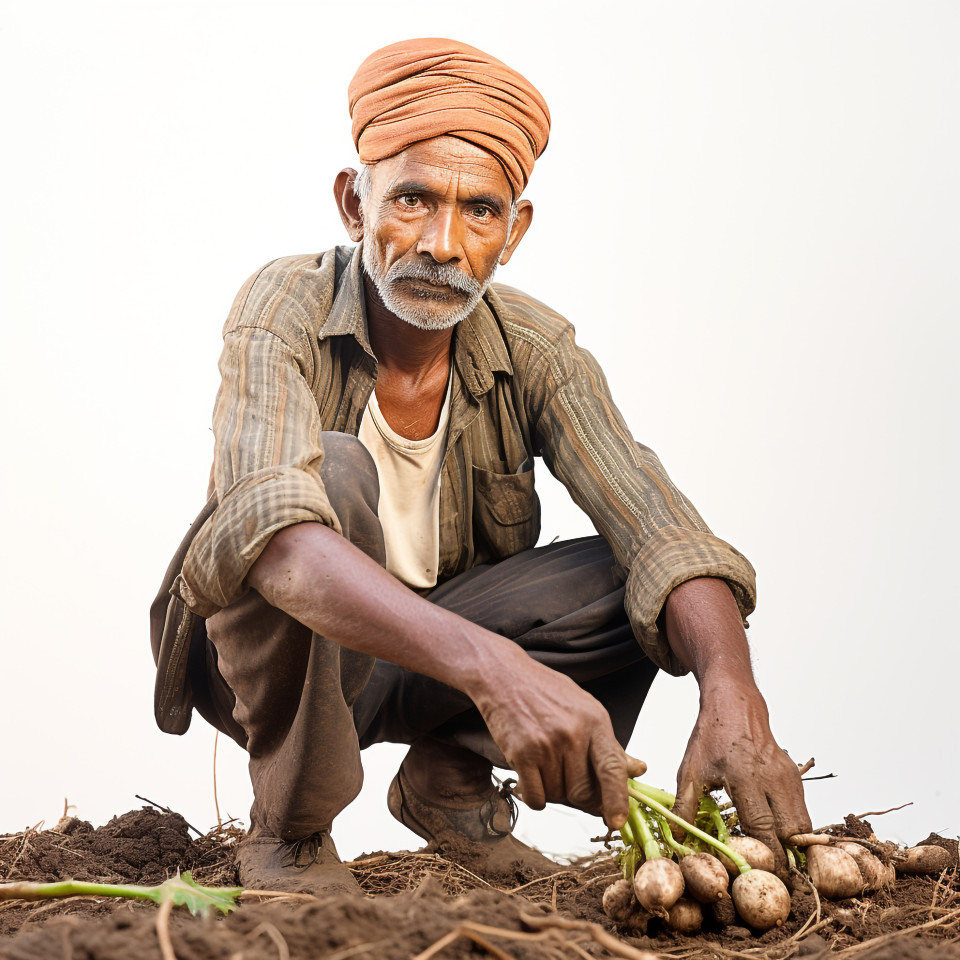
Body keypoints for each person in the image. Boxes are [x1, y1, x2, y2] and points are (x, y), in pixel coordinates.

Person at [150, 37, 810, 895]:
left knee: (636, 573)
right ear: (354, 205)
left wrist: (733, 692)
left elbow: (661, 527)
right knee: (332, 481)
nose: (444, 243)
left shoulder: (535, 347)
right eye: (413, 200)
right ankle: (290, 832)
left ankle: (448, 784)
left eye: (480, 211)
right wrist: (495, 671)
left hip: (426, 658)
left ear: (516, 228)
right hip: (275, 662)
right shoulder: (283, 307)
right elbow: (273, 542)